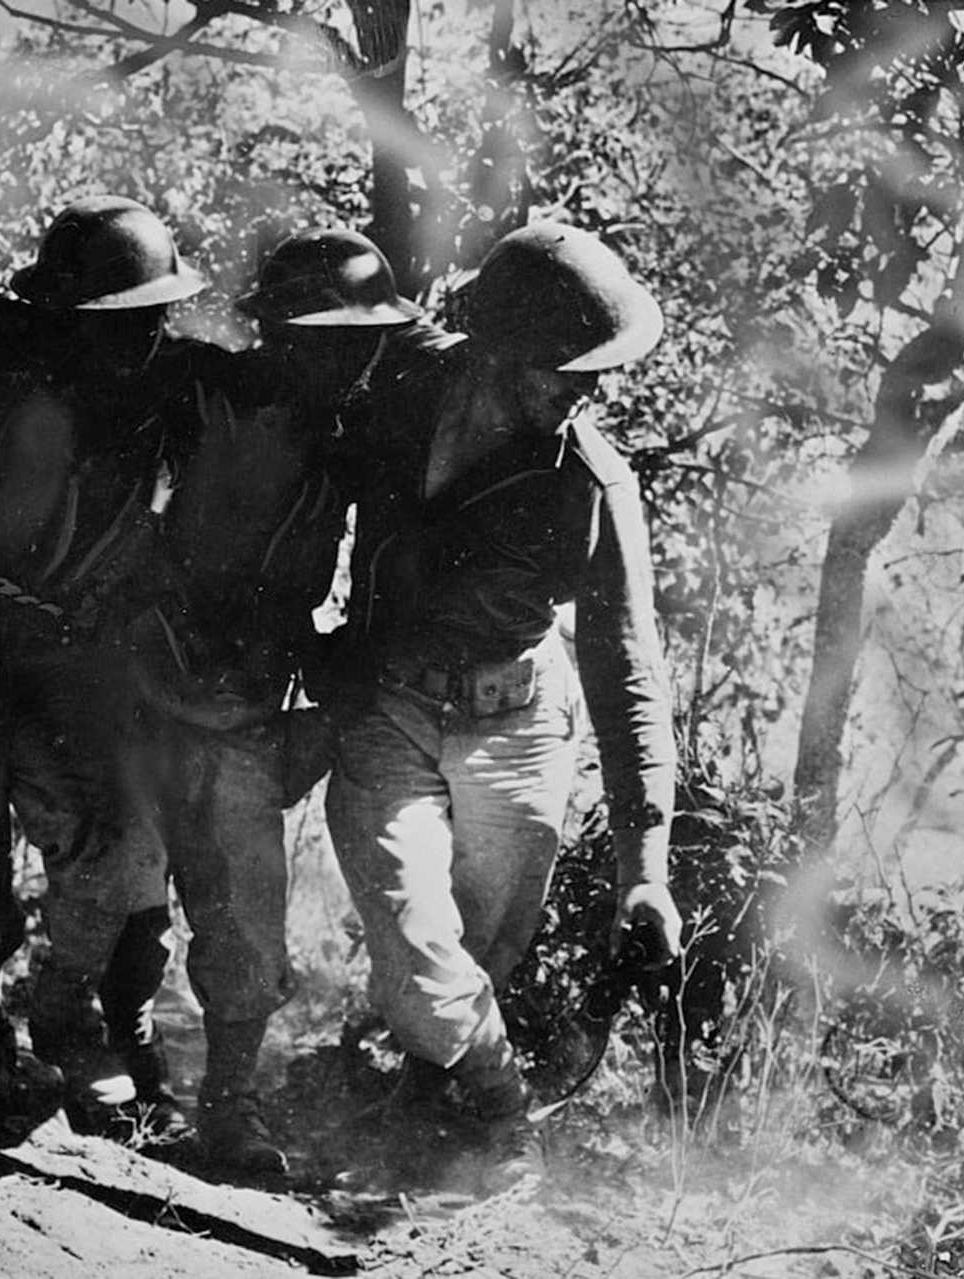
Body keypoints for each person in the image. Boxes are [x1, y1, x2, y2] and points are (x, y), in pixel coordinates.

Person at [323, 221, 684, 1192]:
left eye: (599, 370)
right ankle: (501, 1106)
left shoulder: (592, 485)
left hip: (520, 726)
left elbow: (627, 668)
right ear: (494, 347)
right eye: (567, 366)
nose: (589, 389)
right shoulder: (390, 395)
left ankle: (418, 1117)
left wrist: (641, 869)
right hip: (389, 707)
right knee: (420, 945)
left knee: (482, 947)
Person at [0, 195, 208, 1128]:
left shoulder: (161, 394)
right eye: (118, 324)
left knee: (127, 845)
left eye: (152, 321)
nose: (140, 342)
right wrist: (17, 626)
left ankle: (105, 1029)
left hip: (75, 666)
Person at [120, 227, 421, 1173]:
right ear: (279, 334)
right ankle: (109, 1050)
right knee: (117, 892)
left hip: (243, 708)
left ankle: (229, 1105)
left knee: (248, 912)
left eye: (360, 341)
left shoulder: (345, 447)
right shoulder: (194, 386)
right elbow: (94, 360)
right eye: (328, 338)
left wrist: (329, 664)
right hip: (134, 689)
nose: (351, 358)